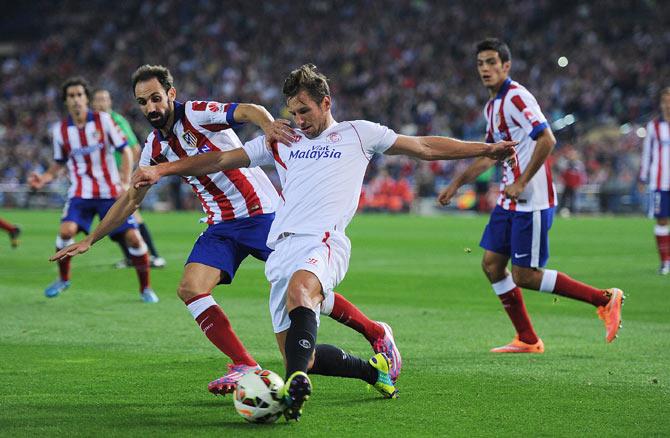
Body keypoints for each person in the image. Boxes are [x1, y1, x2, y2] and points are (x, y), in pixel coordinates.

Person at [128, 63, 516, 420]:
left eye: (305, 111)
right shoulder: (282, 139)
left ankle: (294, 386)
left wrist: (485, 149)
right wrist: (161, 169)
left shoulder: (358, 133)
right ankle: (373, 371)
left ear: (325, 102)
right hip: (283, 249)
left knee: (302, 295)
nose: (298, 120)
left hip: (325, 240)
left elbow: (425, 147)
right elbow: (216, 161)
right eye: (293, 113)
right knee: (304, 352)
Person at [52, 65, 402, 397]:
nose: (151, 107)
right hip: (221, 225)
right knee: (190, 288)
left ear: (170, 93)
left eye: (156, 97)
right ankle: (245, 365)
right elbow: (132, 198)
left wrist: (268, 126)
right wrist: (91, 238)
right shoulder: (154, 149)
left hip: (263, 214)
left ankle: (374, 331)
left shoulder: (197, 113)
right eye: (143, 102)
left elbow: (249, 110)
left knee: (306, 289)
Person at [438, 38, 624, 353]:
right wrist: (457, 183)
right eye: (481, 63)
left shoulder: (516, 97)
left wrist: (522, 182)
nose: (485, 69)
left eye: (492, 62)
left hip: (531, 200)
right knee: (492, 265)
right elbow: (490, 155)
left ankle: (604, 299)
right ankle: (527, 338)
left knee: (525, 275)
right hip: (509, 200)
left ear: (506, 66)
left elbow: (547, 139)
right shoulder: (492, 105)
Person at [30, 76, 157, 303]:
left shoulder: (104, 121)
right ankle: (63, 279)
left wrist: (125, 180)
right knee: (65, 232)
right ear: (66, 101)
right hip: (81, 193)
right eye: (71, 96)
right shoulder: (60, 130)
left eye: (80, 95)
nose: (76, 100)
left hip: (110, 193)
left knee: (134, 240)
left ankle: (145, 288)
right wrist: (44, 178)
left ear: (86, 98)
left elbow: (127, 150)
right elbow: (59, 162)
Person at [91, 88, 166, 269]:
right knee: (112, 216)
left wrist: (124, 174)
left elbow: (133, 148)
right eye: (98, 100)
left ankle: (153, 256)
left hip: (117, 177)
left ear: (109, 103)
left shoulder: (115, 121)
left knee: (130, 213)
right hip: (101, 179)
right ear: (93, 104)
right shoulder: (91, 124)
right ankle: (131, 257)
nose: (101, 103)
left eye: (104, 99)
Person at [639, 87, 670, 275]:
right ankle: (665, 262)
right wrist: (643, 177)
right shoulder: (654, 127)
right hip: (660, 183)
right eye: (665, 99)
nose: (667, 103)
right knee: (662, 221)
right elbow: (646, 154)